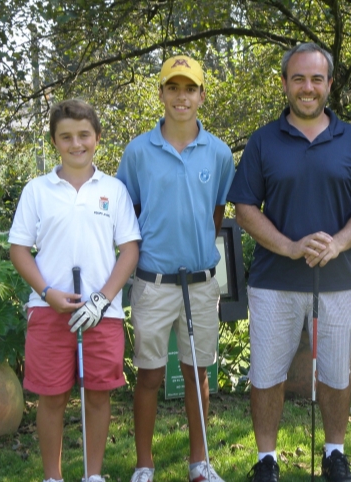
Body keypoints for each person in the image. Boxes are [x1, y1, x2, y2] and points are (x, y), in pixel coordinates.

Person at [227, 42, 351, 482]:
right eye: (298, 78)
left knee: (337, 374)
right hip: (274, 279)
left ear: (330, 85)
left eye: (317, 79)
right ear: (284, 83)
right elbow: (244, 208)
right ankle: (266, 459)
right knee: (266, 374)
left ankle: (335, 454)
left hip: (336, 280)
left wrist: (336, 243)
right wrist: (290, 246)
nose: (307, 87)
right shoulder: (263, 140)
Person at [116, 55, 235, 482]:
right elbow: (128, 212)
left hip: (201, 282)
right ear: (161, 93)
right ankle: (144, 464)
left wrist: (196, 246)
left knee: (196, 372)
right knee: (148, 374)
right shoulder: (138, 151)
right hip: (153, 282)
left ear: (202, 95)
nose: (181, 97)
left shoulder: (219, 153)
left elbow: (216, 212)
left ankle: (199, 463)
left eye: (190, 89)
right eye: (173, 88)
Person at [9, 99, 141, 482]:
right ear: (54, 141)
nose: (76, 143)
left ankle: (93, 476)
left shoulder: (114, 190)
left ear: (97, 138)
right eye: (66, 136)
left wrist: (102, 298)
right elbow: (19, 249)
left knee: (98, 395)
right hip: (49, 310)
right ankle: (53, 477)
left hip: (103, 312)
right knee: (51, 397)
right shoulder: (37, 190)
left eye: (84, 135)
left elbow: (129, 249)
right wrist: (47, 291)